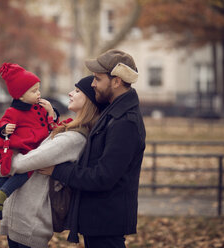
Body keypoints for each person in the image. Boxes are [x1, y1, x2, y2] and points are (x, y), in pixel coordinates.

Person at [39, 49, 146, 248]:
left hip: (106, 221)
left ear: (116, 81)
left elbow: (103, 177)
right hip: (99, 219)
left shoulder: (125, 122)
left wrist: (58, 170)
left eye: (97, 78)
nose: (93, 83)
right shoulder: (113, 112)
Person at [0, 76, 106, 248]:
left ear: (90, 101)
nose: (71, 93)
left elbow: (21, 164)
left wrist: (0, 164)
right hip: (20, 218)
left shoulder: (74, 138)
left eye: (78, 91)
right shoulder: (68, 129)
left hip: (31, 223)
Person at [0, 63, 58, 227]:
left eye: (38, 89)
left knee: (9, 175)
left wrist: (51, 113)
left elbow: (51, 128)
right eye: (33, 91)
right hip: (21, 149)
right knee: (23, 172)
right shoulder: (14, 111)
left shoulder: (40, 108)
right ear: (20, 96)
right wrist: (4, 129)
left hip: (34, 148)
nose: (38, 93)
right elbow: (3, 122)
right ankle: (0, 198)